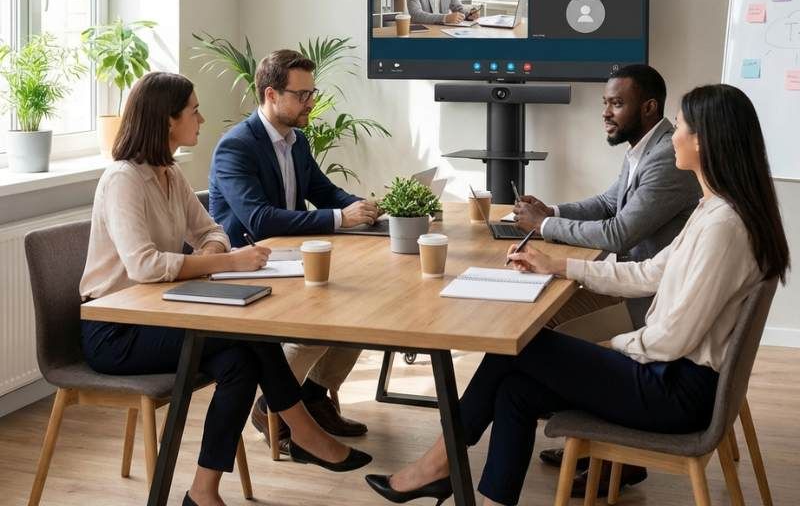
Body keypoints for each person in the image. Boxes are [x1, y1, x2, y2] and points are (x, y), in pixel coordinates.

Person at [365, 83, 790, 506]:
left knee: (516, 347)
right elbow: (649, 272)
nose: (672, 136)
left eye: (679, 127)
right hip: (669, 375)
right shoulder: (714, 210)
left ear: (703, 141)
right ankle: (468, 483)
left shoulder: (723, 227)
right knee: (515, 389)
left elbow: (675, 336)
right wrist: (559, 266)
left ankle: (437, 466)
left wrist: (612, 346)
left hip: (673, 390)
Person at [79, 72, 371, 506]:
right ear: (167, 120)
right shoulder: (124, 179)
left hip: (161, 311)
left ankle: (203, 492)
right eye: (194, 111)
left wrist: (214, 251)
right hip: (116, 329)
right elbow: (144, 265)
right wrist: (227, 261)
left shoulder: (169, 173)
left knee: (240, 362)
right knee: (246, 336)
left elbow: (211, 231)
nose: (201, 119)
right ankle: (302, 429)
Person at [513, 64, 702, 494]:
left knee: (541, 323)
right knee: (545, 312)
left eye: (617, 103)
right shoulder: (643, 148)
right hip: (634, 284)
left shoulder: (667, 158)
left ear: (648, 107)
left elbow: (619, 233)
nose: (605, 112)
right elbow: (607, 202)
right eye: (605, 103)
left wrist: (544, 227)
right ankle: (588, 439)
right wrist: (552, 212)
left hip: (648, 301)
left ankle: (611, 448)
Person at [209, 50, 378, 452]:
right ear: (271, 94)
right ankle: (272, 408)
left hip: (288, 259)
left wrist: (364, 207)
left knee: (361, 310)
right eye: (302, 95)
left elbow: (324, 192)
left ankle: (313, 399)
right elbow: (261, 220)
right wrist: (340, 218)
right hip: (248, 264)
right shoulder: (236, 147)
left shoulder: (296, 141)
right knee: (321, 324)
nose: (311, 102)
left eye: (312, 93)